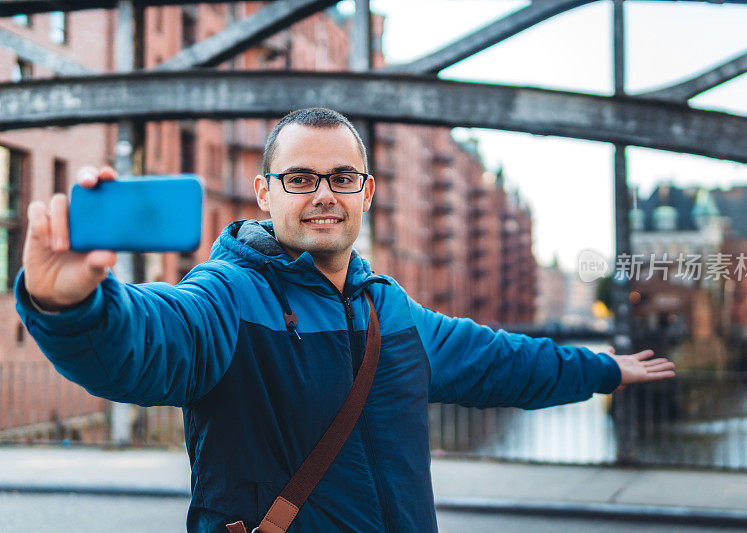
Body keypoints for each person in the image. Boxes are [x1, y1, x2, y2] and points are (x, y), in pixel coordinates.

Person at [15, 107, 675, 532]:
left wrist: (601, 367)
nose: (323, 193)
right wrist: (71, 305)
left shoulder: (386, 306)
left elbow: (498, 360)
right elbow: (149, 342)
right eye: (299, 178)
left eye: (340, 177)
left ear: (366, 192)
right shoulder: (227, 295)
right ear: (264, 192)